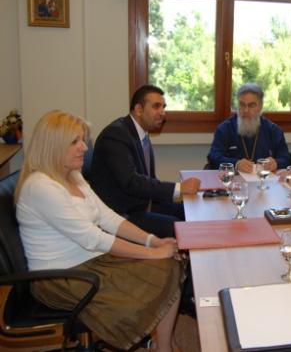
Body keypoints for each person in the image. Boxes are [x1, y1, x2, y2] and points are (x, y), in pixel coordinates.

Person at [15, 110, 185, 351]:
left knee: (172, 262)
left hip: (90, 261)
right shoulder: (41, 187)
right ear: (53, 145)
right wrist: (153, 253)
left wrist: (152, 241)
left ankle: (163, 345)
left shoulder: (73, 176)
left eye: (83, 140)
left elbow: (108, 218)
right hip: (61, 278)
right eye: (75, 141)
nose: (84, 147)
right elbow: (92, 238)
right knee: (161, 266)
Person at [90, 85, 200, 238]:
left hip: (142, 203)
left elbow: (149, 180)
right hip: (122, 213)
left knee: (189, 211)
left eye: (163, 107)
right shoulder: (115, 135)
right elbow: (131, 182)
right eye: (156, 106)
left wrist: (178, 193)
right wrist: (179, 188)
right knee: (179, 228)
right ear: (139, 109)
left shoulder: (141, 134)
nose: (162, 113)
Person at [207, 83, 291, 172]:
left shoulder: (273, 130)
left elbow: (287, 159)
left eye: (251, 105)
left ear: (260, 106)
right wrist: (236, 164)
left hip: (263, 179)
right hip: (233, 179)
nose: (246, 110)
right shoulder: (225, 129)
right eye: (242, 105)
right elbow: (213, 157)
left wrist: (276, 163)